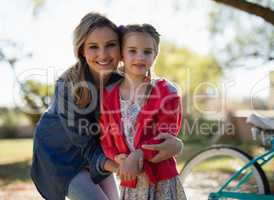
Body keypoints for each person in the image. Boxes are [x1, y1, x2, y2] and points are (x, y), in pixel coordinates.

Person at [30, 12, 183, 200]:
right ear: (82, 51)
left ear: (121, 48)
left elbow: (152, 112)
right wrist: (126, 164)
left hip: (99, 153)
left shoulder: (121, 81)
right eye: (93, 47)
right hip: (61, 157)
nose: (103, 54)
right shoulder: (68, 84)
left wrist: (176, 144)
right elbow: (86, 145)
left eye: (110, 45)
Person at [99, 24, 187, 200]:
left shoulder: (166, 91)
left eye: (147, 52)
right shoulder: (108, 96)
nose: (140, 57)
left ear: (155, 55)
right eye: (132, 50)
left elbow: (166, 135)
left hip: (162, 178)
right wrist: (118, 158)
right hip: (131, 179)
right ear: (122, 54)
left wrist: (138, 155)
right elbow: (105, 136)